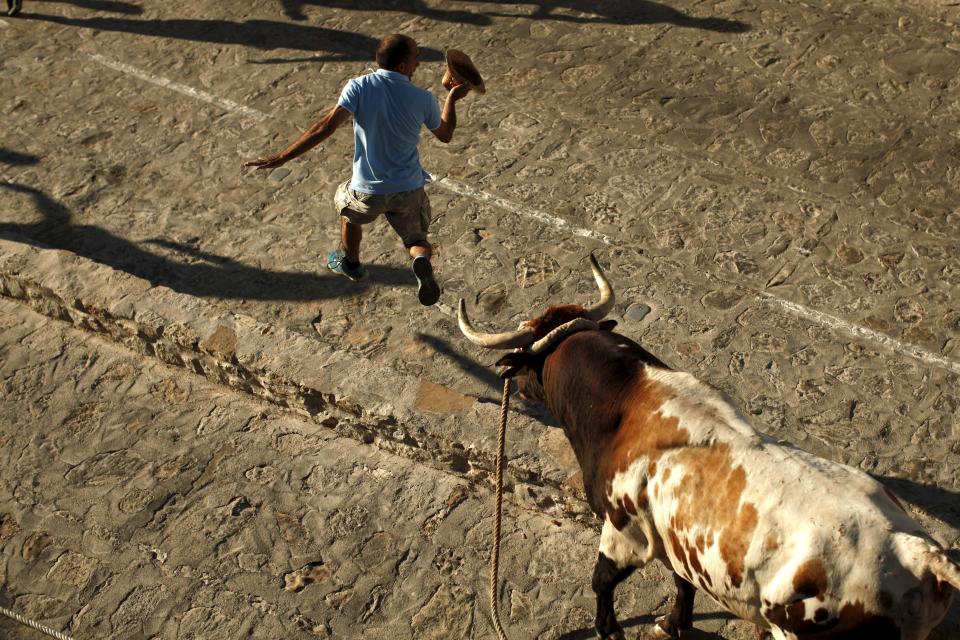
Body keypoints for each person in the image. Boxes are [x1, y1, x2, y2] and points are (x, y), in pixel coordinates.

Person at [245, 34, 472, 306]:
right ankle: (421, 260)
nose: (419, 62)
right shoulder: (423, 99)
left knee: (347, 209)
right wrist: (452, 98)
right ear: (401, 66)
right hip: (408, 188)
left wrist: (282, 157)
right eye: (416, 56)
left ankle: (351, 263)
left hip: (367, 190)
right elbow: (445, 134)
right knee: (416, 239)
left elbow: (325, 127)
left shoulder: (359, 87)